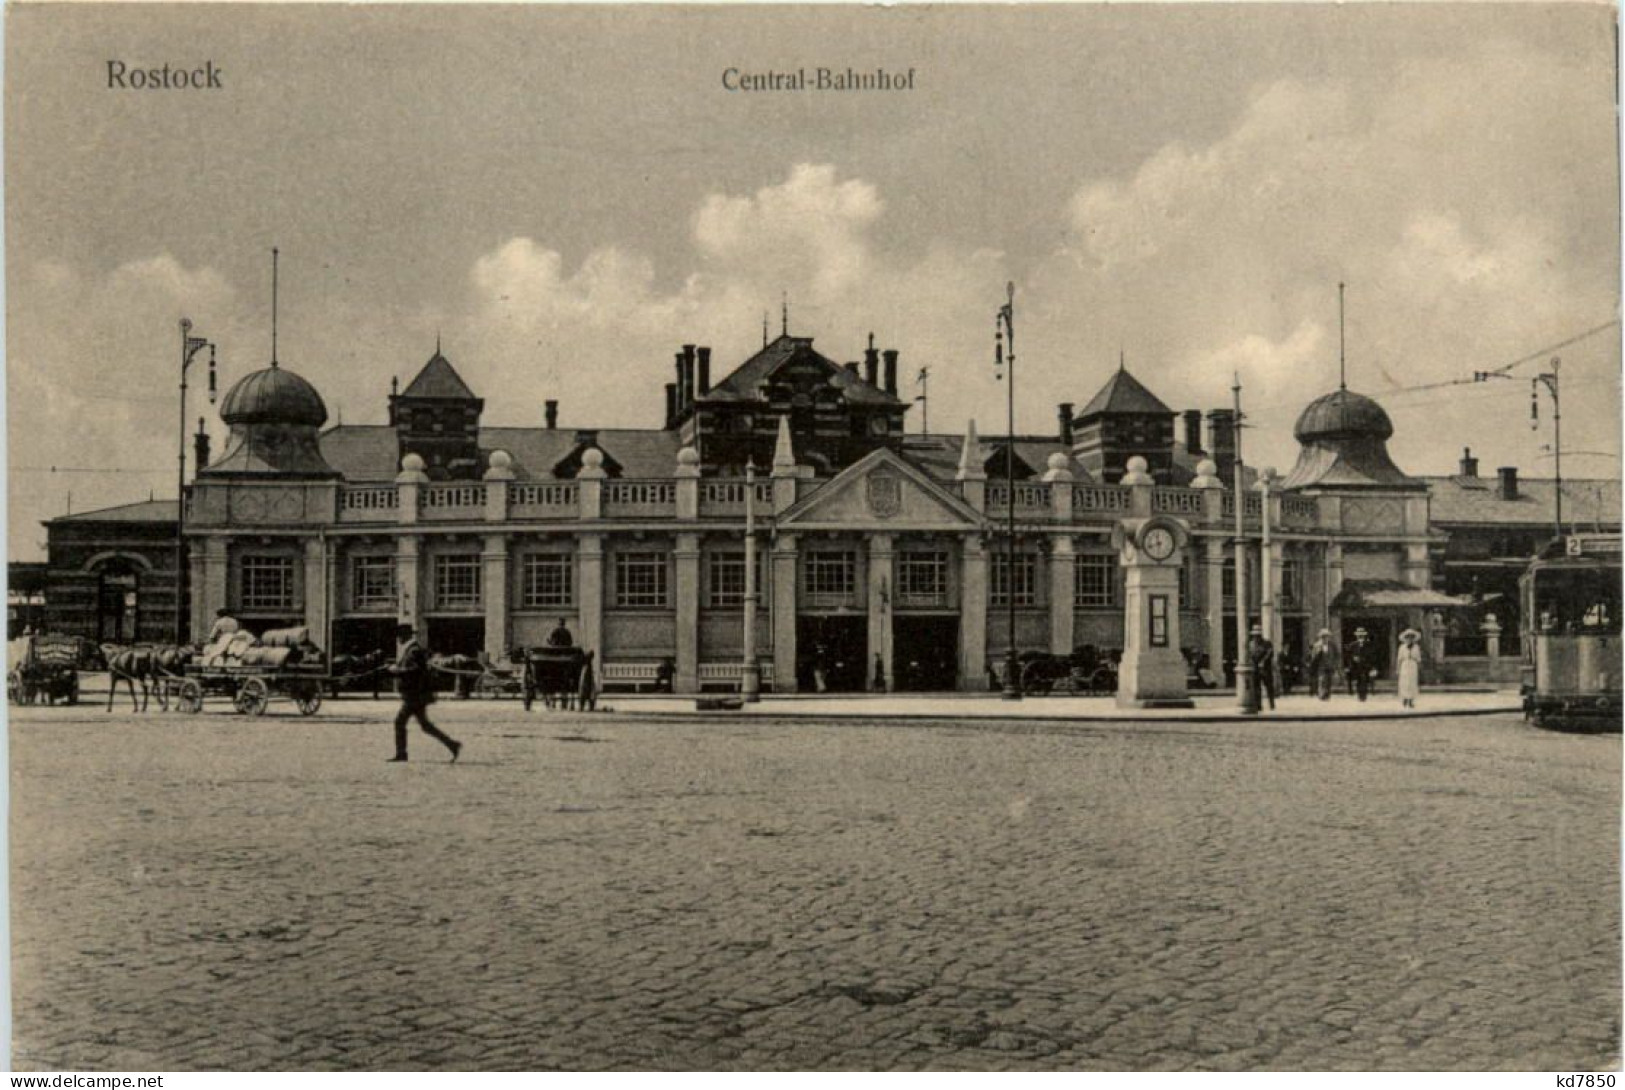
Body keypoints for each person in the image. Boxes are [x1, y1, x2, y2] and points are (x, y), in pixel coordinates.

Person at [387, 623, 462, 763]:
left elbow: (416, 671)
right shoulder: (411, 649)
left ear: (405, 636)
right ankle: (452, 744)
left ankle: (401, 754)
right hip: (415, 695)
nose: (398, 639)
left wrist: (397, 671)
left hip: (415, 695)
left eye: (399, 636)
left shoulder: (414, 650)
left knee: (399, 722)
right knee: (425, 726)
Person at [1247, 625, 1277, 710]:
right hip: (1255, 668)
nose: (1256, 637)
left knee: (1269, 687)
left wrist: (1263, 661)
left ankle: (1271, 704)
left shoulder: (1267, 643)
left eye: (1258, 635)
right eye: (1255, 635)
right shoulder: (1251, 644)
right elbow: (1249, 655)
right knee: (1257, 688)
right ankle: (1258, 705)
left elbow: (1270, 653)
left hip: (1266, 669)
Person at [1306, 628, 1341, 701]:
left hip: (1330, 666)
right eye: (1323, 637)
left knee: (1329, 681)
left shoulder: (1332, 645)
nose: (1325, 638)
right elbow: (1313, 656)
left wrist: (1335, 664)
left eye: (1326, 636)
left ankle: (1327, 695)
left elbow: (1337, 655)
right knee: (1322, 680)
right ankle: (1321, 694)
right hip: (1321, 666)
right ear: (1321, 637)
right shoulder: (1317, 645)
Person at [1345, 627, 1377, 702]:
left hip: (1366, 666)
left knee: (1364, 680)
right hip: (1355, 667)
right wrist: (1353, 659)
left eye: (1362, 635)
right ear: (1357, 636)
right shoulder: (1353, 645)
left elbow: (1372, 656)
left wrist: (1372, 667)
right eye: (1359, 635)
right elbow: (1348, 656)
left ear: (1364, 636)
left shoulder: (1368, 645)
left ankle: (1364, 695)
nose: (1360, 637)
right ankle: (1359, 694)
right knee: (1358, 681)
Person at [1396, 628, 1423, 708]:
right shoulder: (1402, 647)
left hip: (1413, 665)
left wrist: (1419, 666)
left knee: (1412, 682)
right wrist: (1398, 668)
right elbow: (1399, 659)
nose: (1409, 639)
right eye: (1408, 637)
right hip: (1405, 665)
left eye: (1411, 637)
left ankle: (1411, 700)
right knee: (1404, 682)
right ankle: (1404, 699)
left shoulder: (1416, 647)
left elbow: (1418, 658)